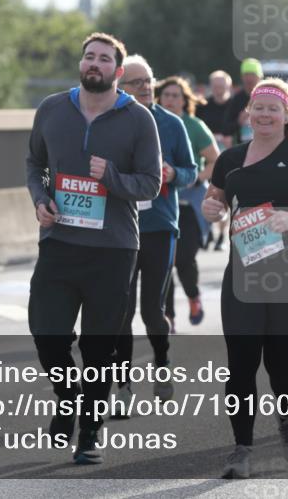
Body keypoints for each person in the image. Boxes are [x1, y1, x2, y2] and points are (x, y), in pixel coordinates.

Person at [26, 32, 161, 464]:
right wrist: (40, 199)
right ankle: (68, 399)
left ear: (117, 71)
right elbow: (35, 164)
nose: (94, 64)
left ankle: (89, 433)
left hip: (113, 250)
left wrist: (112, 177)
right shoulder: (52, 109)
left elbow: (151, 184)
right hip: (59, 242)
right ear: (81, 64)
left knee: (99, 348)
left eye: (104, 59)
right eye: (89, 57)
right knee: (47, 334)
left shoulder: (138, 118)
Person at [202, 77, 288, 479]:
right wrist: (212, 210)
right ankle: (241, 447)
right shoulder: (230, 159)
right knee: (241, 365)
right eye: (258, 107)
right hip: (243, 274)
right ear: (248, 112)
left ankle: (287, 418)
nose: (264, 114)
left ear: (285, 114)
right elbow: (215, 201)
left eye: (272, 109)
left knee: (281, 364)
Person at [112, 55, 197, 411]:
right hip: (120, 228)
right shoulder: (110, 122)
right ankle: (123, 388)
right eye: (137, 82)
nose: (146, 87)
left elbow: (191, 170)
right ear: (120, 86)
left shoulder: (171, 124)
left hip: (160, 226)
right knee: (121, 311)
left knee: (151, 310)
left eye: (149, 81)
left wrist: (174, 174)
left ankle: (162, 362)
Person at [157, 76, 219, 327]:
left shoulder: (194, 126)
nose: (171, 100)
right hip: (160, 203)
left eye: (176, 96)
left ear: (185, 101)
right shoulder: (151, 122)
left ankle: (193, 296)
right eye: (166, 95)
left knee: (183, 259)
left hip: (189, 205)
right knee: (163, 262)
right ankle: (168, 317)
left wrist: (196, 179)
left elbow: (215, 160)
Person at [197, 69, 233, 251]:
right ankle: (209, 231)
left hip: (230, 155)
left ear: (228, 86)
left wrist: (229, 137)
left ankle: (221, 235)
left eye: (221, 86)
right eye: (215, 86)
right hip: (209, 156)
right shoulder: (203, 105)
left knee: (225, 194)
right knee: (210, 194)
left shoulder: (235, 105)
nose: (218, 89)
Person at [223, 58, 263, 146]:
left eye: (252, 75)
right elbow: (226, 128)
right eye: (246, 75)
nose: (249, 78)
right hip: (243, 147)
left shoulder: (267, 97)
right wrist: (239, 121)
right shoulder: (236, 99)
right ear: (242, 77)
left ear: (259, 77)